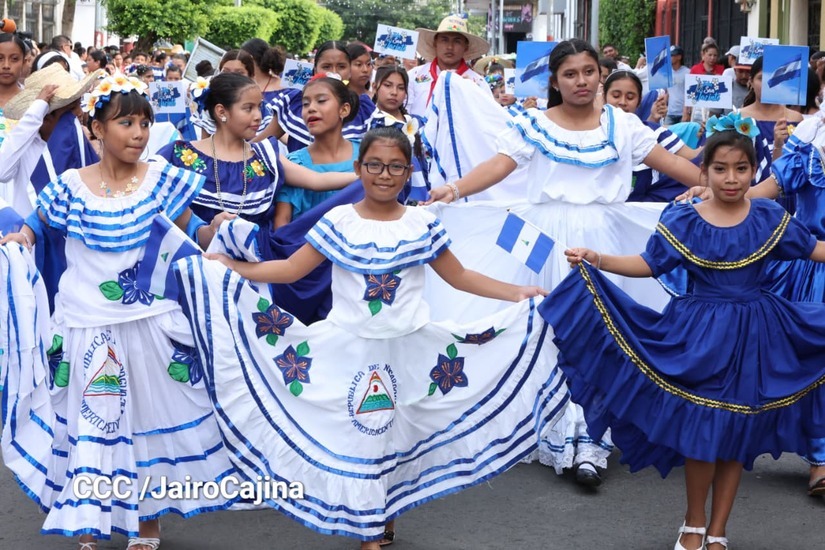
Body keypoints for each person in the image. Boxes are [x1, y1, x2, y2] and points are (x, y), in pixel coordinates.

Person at [170, 126, 567, 549]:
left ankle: (384, 515)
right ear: (359, 168)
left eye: (396, 166)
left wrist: (516, 292)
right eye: (375, 165)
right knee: (366, 432)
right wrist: (233, 269)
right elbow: (291, 270)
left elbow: (459, 276)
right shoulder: (338, 220)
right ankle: (369, 530)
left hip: (411, 348)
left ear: (408, 172)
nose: (384, 174)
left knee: (397, 434)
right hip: (351, 348)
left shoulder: (421, 223)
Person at [425, 39, 701, 486]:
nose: (581, 81)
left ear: (600, 75)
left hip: (604, 238)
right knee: (544, 327)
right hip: (539, 238)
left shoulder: (622, 124)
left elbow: (669, 162)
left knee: (601, 334)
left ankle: (592, 437)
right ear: (554, 80)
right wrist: (453, 190)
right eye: (570, 74)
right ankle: (552, 428)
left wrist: (718, 185)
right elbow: (499, 166)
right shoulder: (533, 123)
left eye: (589, 72)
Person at [545, 117, 825, 550]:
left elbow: (814, 250)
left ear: (755, 171)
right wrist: (599, 259)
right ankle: (693, 524)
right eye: (720, 168)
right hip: (698, 336)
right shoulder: (685, 220)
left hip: (756, 334)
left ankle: (719, 531)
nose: (731, 178)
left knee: (737, 431)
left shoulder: (769, 216)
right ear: (704, 172)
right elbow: (649, 263)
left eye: (741, 168)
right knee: (702, 433)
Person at [0, 73, 235, 550]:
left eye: (145, 122)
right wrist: (19, 238)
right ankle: (90, 519)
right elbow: (36, 227)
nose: (139, 133)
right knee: (92, 424)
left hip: (149, 325)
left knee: (146, 421)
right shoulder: (70, 187)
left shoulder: (162, 181)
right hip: (87, 325)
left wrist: (223, 235)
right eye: (125, 122)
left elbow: (195, 230)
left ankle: (147, 524)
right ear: (96, 128)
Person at [155, 72, 356, 228]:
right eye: (248, 108)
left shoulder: (265, 155)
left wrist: (364, 177)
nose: (258, 116)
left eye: (260, 107)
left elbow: (316, 180)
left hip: (251, 270)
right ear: (222, 111)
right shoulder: (178, 155)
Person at [257, 41, 378, 152]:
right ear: (315, 70)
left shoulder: (363, 108)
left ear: (349, 71)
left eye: (341, 66)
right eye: (326, 67)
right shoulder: (295, 102)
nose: (333, 72)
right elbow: (262, 143)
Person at [601, 70, 700, 202]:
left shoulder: (652, 132)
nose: (622, 102)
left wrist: (721, 131)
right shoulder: (590, 132)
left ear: (639, 101)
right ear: (604, 96)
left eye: (630, 97)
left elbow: (688, 158)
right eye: (616, 95)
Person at [274, 75, 360, 226]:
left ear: (344, 109)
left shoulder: (368, 154)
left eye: (321, 101)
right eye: (305, 104)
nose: (311, 108)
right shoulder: (294, 163)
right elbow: (282, 225)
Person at [406, 14, 492, 117]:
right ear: (435, 43)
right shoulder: (413, 76)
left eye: (457, 41)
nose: (450, 47)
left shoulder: (478, 84)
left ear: (466, 47)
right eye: (444, 40)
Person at [0, 31, 26, 110]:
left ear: (23, 63)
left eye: (14, 59)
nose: (6, 66)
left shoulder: (33, 103)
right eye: (0, 59)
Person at [666, 45, 690, 125]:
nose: (670, 57)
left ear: (679, 57)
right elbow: (665, 92)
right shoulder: (666, 73)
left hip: (682, 113)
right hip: (669, 112)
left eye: (672, 55)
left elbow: (689, 94)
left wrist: (686, 112)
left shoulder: (687, 72)